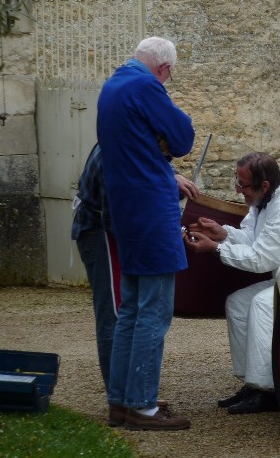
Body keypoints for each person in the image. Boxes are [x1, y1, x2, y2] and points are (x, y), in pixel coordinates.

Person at [97, 36, 195, 431]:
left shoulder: (112, 86)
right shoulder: (146, 86)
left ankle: (121, 401)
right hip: (152, 209)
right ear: (164, 68)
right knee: (154, 312)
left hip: (125, 209)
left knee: (132, 311)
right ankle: (142, 405)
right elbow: (183, 138)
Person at [184, 152, 280, 414]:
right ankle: (253, 384)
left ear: (264, 185)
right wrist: (224, 233)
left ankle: (270, 391)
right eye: (237, 182)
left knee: (261, 305)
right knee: (238, 302)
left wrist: (216, 249)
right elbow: (254, 238)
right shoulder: (266, 198)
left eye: (242, 185)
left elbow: (261, 258)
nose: (239, 190)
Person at [71, 143, 199, 393]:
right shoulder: (118, 151)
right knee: (115, 313)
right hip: (101, 231)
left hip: (116, 231)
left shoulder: (134, 140)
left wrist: (171, 176)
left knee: (126, 311)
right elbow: (115, 213)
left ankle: (128, 393)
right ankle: (121, 394)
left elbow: (149, 168)